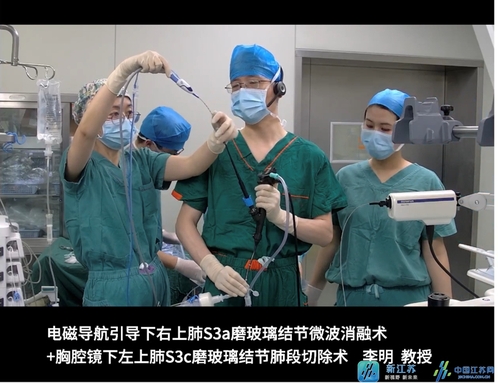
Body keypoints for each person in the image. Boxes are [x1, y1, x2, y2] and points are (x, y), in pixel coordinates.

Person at [173, 44, 348, 306]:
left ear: (279, 87)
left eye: (254, 82)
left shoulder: (309, 157)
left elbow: (325, 234)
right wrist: (212, 267)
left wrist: (281, 218)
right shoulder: (218, 151)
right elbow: (185, 223)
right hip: (227, 278)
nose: (243, 91)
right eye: (236, 85)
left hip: (283, 283)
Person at [61, 50, 238, 307]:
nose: (123, 120)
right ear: (91, 117)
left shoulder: (141, 159)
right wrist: (124, 70)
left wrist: (216, 140)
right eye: (112, 114)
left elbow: (191, 165)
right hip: (112, 287)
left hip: (153, 277)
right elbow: (86, 133)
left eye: (128, 113)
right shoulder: (81, 165)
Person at [305, 88, 457, 307]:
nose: (375, 133)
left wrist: (447, 303)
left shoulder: (426, 182)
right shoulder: (346, 178)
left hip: (409, 299)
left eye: (385, 128)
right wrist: (311, 294)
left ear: (405, 132)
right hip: (353, 298)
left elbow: (436, 251)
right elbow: (332, 241)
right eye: (369, 125)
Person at [131, 106, 206, 300]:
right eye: (170, 154)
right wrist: (180, 264)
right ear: (149, 144)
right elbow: (130, 244)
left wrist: (163, 235)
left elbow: (143, 221)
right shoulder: (126, 175)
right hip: (132, 278)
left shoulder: (146, 172)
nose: (173, 160)